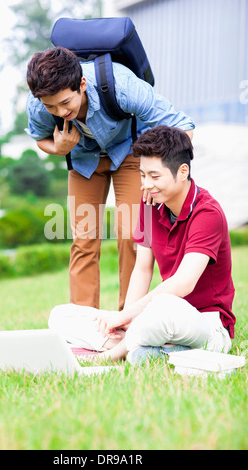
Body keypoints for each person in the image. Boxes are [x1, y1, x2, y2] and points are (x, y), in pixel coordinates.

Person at [48, 125, 236, 364]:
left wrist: (127, 316)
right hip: (158, 319)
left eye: (154, 176)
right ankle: (143, 345)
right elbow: (142, 269)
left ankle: (114, 353)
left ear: (182, 171)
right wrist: (125, 321)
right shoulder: (150, 203)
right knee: (61, 315)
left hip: (207, 324)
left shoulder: (207, 212)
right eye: (142, 174)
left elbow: (182, 284)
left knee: (163, 307)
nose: (146, 184)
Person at [26, 46, 195, 310]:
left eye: (65, 103)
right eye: (51, 107)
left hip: (129, 151)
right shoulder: (38, 103)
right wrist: (58, 149)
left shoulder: (122, 85)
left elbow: (183, 126)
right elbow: (40, 138)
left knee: (132, 234)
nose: (59, 112)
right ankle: (83, 323)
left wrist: (159, 173)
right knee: (84, 238)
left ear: (81, 84)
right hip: (82, 159)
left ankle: (127, 319)